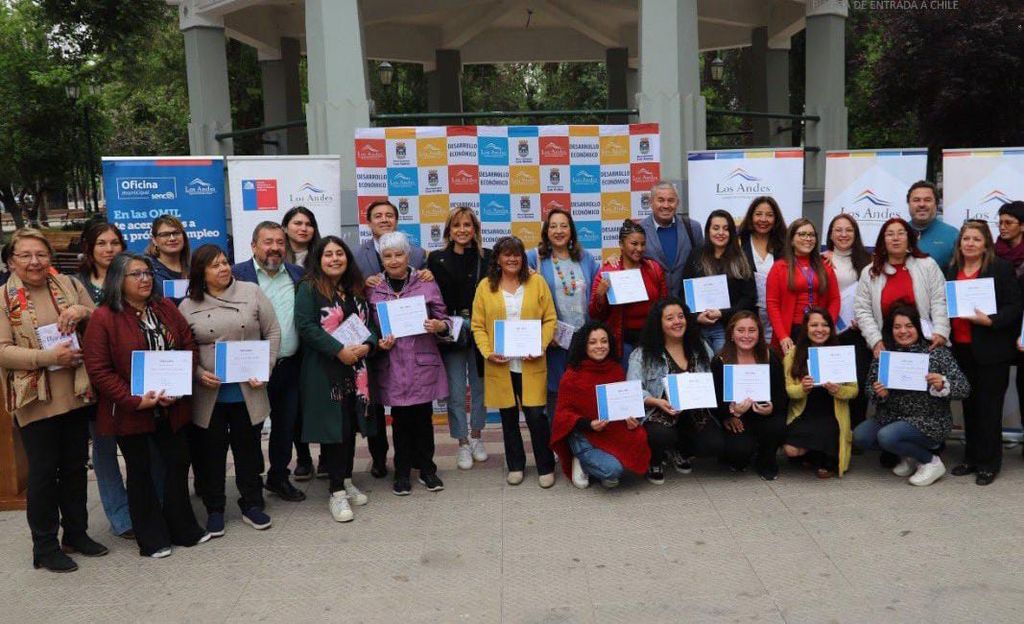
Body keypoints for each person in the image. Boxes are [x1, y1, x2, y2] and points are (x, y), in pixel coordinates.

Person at [83, 253, 211, 558]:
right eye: (136, 274)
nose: (144, 279)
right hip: (131, 411)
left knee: (177, 463)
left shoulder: (164, 307)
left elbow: (188, 344)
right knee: (140, 472)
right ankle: (152, 539)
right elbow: (99, 369)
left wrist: (178, 384)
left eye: (147, 273)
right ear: (118, 280)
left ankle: (183, 529)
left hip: (172, 404)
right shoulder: (104, 317)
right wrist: (134, 400)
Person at [0, 228, 105, 572]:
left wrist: (81, 312)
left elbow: (99, 321)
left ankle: (76, 533)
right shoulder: (3, 298)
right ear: (11, 261)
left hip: (76, 392)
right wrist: (47, 357)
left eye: (41, 255)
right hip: (36, 400)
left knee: (75, 468)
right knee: (44, 474)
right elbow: (2, 352)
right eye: (25, 255)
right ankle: (44, 546)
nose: (34, 262)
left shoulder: (70, 287)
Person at [179, 245, 281, 535]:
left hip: (248, 390)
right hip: (209, 394)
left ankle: (252, 503)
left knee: (248, 450)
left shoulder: (251, 292)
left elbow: (273, 331)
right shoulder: (187, 305)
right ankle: (215, 508)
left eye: (225, 263)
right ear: (201, 272)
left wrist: (266, 367)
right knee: (210, 454)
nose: (223, 269)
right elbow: (182, 346)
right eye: (215, 265)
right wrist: (198, 374)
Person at [75, 222, 156, 540]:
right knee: (105, 449)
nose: (109, 249)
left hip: (140, 379)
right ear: (90, 248)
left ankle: (151, 506)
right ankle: (121, 516)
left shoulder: (139, 277)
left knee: (146, 449)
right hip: (99, 379)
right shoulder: (76, 284)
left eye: (114, 243)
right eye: (101, 243)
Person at [295, 236, 378, 522]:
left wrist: (369, 345)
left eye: (339, 254)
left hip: (357, 369)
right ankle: (336, 492)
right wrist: (338, 351)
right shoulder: (308, 288)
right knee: (334, 429)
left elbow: (369, 326)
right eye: (328, 254)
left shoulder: (355, 289)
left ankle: (345, 480)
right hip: (325, 370)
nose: (334, 259)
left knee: (351, 424)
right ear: (318, 259)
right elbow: (305, 326)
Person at [368, 231, 452, 496]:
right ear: (381, 259)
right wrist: (378, 342)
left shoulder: (426, 283)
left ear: (409, 256)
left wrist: (439, 325)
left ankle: (428, 470)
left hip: (421, 364)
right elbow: (367, 326)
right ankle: (402, 473)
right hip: (392, 365)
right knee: (400, 422)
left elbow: (445, 319)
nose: (394, 260)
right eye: (387, 255)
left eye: (399, 254)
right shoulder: (373, 288)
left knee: (424, 421)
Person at [353, 200, 432, 479]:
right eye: (378, 216)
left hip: (411, 347)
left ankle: (414, 461)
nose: (384, 219)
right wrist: (364, 284)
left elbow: (424, 287)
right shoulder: (355, 255)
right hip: (376, 343)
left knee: (412, 410)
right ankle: (378, 458)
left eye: (389, 215)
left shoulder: (420, 253)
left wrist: (427, 273)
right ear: (369, 222)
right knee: (376, 406)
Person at [472, 236, 558, 487]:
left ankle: (545, 466)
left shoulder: (537, 283)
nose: (512, 259)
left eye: (516, 254)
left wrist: (540, 345)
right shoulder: (485, 287)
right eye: (506, 254)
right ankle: (516, 465)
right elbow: (478, 326)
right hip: (501, 363)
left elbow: (550, 318)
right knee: (508, 418)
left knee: (535, 417)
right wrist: (488, 352)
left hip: (531, 362)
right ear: (497, 258)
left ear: (523, 258)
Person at [232, 222, 309, 501]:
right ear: (253, 246)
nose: (274, 248)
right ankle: (251, 484)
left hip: (289, 365)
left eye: (280, 242)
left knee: (285, 427)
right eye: (267, 242)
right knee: (249, 429)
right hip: (250, 368)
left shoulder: (298, 274)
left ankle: (278, 476)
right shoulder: (235, 275)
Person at [855, 304, 969, 486]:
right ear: (890, 329)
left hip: (929, 419)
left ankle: (931, 461)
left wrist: (942, 384)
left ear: (918, 327)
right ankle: (910, 454)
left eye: (909, 326)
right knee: (860, 436)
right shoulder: (884, 354)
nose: (903, 331)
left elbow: (964, 388)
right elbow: (869, 388)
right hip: (891, 417)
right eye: (897, 327)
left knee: (887, 436)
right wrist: (879, 393)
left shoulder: (937, 353)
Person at [944, 222, 1022, 485]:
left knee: (989, 409)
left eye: (976, 239)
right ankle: (971, 458)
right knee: (969, 407)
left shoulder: (999, 268)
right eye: (966, 238)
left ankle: (990, 463)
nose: (970, 243)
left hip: (992, 351)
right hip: (962, 349)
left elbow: (1015, 307)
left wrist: (991, 321)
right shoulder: (953, 269)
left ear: (986, 243)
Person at [627, 297, 717, 484]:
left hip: (693, 412)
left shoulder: (699, 347)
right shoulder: (643, 353)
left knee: (713, 443)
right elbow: (633, 390)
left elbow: (712, 378)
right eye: (669, 318)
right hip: (659, 412)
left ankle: (679, 450)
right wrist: (655, 401)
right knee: (661, 435)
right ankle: (655, 460)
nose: (677, 322)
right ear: (659, 323)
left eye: (680, 316)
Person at [427, 207, 492, 470]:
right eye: (456, 225)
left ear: (475, 229)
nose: (462, 230)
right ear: (448, 231)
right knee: (455, 392)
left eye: (467, 225)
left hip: (481, 331)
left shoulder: (487, 258)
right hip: (450, 333)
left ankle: (477, 437)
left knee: (480, 389)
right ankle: (462, 443)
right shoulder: (436, 259)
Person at [550, 321, 650, 489]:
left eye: (604, 341)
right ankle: (581, 459)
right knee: (614, 471)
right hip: (584, 434)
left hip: (612, 429)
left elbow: (622, 404)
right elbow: (562, 415)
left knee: (640, 438)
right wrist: (588, 424)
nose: (600, 346)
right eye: (593, 342)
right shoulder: (572, 375)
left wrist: (630, 418)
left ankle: (601, 464)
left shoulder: (616, 369)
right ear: (584, 345)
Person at [526, 208, 601, 426]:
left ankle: (580, 442)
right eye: (553, 226)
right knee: (556, 393)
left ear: (571, 230)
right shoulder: (534, 258)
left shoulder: (585, 258)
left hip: (582, 339)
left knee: (581, 392)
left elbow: (597, 289)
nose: (559, 231)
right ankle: (559, 442)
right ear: (546, 231)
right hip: (553, 340)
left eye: (564, 226)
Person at [854, 217, 950, 359]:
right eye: (890, 234)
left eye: (900, 233)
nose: (895, 238)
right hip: (886, 344)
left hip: (926, 342)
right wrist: (875, 341)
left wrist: (940, 331)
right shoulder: (870, 273)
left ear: (909, 238)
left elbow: (940, 300)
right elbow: (862, 310)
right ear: (883, 241)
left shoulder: (927, 265)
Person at [782, 308, 858, 478]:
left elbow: (854, 391)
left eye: (825, 325)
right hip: (806, 412)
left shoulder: (841, 353)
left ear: (831, 328)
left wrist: (839, 390)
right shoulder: (793, 354)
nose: (820, 329)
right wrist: (802, 388)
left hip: (833, 414)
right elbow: (788, 390)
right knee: (791, 450)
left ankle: (825, 456)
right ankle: (814, 453)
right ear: (806, 328)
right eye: (814, 325)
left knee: (829, 449)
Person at [711, 311, 788, 480]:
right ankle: (740, 453)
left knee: (777, 426)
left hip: (765, 415)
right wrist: (730, 413)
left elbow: (781, 394)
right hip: (737, 419)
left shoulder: (770, 356)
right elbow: (714, 401)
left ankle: (766, 459)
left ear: (759, 333)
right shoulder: (720, 361)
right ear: (731, 334)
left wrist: (772, 407)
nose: (746, 335)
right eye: (741, 330)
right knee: (739, 458)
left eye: (752, 330)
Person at [590, 219, 668, 367]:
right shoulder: (608, 272)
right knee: (627, 384)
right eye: (634, 244)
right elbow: (595, 314)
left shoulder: (654, 269)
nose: (639, 248)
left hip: (650, 338)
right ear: (621, 244)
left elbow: (664, 304)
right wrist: (600, 295)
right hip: (622, 340)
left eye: (643, 244)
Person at [822, 213, 873, 430]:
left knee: (858, 382)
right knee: (831, 381)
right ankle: (834, 432)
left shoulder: (868, 260)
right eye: (838, 230)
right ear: (830, 234)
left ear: (856, 233)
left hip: (857, 331)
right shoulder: (821, 259)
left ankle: (857, 431)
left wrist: (864, 321)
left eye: (848, 230)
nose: (843, 234)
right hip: (829, 330)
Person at [681, 209, 757, 353]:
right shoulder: (696, 255)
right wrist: (697, 317)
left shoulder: (741, 258)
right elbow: (684, 292)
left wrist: (723, 313)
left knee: (720, 369)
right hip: (698, 328)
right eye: (716, 228)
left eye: (726, 228)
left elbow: (749, 298)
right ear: (708, 230)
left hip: (727, 327)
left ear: (732, 233)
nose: (720, 232)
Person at [765, 219, 840, 355]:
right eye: (802, 234)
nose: (808, 238)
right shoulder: (779, 268)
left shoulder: (826, 266)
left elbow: (835, 299)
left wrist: (827, 325)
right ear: (792, 240)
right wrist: (782, 336)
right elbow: (772, 304)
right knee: (792, 373)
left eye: (811, 235)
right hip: (790, 331)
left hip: (818, 331)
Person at [639, 181, 703, 297]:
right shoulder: (639, 230)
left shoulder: (693, 228)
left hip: (686, 306)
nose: (666, 205)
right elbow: (629, 263)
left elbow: (703, 264)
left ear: (677, 203)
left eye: (671, 200)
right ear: (651, 203)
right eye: (661, 200)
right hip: (653, 307)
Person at [738, 196, 787, 344]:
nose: (763, 219)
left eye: (769, 215)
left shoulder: (785, 244)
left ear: (776, 218)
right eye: (758, 214)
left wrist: (828, 254)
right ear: (751, 216)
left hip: (779, 315)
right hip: (748, 315)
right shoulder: (739, 242)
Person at [994, 200, 1024, 442]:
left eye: (1009, 223)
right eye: (1000, 222)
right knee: (995, 391)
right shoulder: (992, 254)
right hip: (1000, 330)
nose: (1002, 227)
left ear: (1022, 226)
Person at [906, 180, 958, 269]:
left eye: (927, 200)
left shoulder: (952, 235)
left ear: (936, 204)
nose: (922, 204)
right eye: (916, 200)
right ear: (908, 204)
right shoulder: (897, 234)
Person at [145, 215, 190, 297]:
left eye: (176, 233)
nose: (172, 238)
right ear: (154, 240)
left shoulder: (195, 267)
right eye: (165, 234)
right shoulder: (148, 270)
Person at [281, 206, 321, 270]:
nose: (304, 229)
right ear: (285, 228)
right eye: (298, 223)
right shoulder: (277, 256)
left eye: (308, 224)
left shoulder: (322, 256)